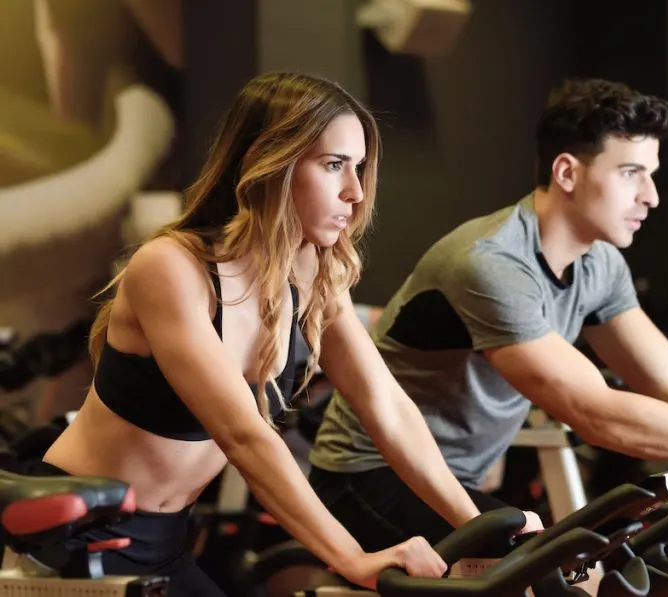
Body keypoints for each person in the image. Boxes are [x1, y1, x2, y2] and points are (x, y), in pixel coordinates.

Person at [307, 77, 668, 549]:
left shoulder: (600, 264)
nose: (651, 197)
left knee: (582, 560)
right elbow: (592, 412)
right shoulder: (491, 264)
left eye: (652, 174)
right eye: (631, 174)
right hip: (368, 477)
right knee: (546, 572)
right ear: (568, 173)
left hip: (449, 479)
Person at [21, 71, 494, 595]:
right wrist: (353, 558)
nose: (355, 192)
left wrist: (476, 527)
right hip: (76, 539)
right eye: (334, 165)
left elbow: (386, 406)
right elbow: (243, 435)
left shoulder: (313, 276)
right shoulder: (172, 268)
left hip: (165, 541)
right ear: (270, 163)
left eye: (358, 168)